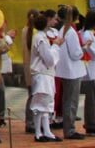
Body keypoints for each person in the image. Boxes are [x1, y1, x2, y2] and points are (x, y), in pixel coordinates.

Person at [30, 13, 62, 143]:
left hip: (46, 74)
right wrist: (55, 46)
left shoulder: (40, 36)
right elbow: (48, 59)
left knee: (47, 103)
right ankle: (38, 132)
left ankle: (47, 131)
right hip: (42, 74)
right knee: (40, 103)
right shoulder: (40, 38)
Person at [54, 7, 85, 140]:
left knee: (68, 101)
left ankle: (69, 128)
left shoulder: (63, 30)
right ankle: (70, 130)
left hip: (66, 70)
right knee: (71, 102)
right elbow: (75, 54)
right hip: (72, 71)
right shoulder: (70, 32)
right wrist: (84, 49)